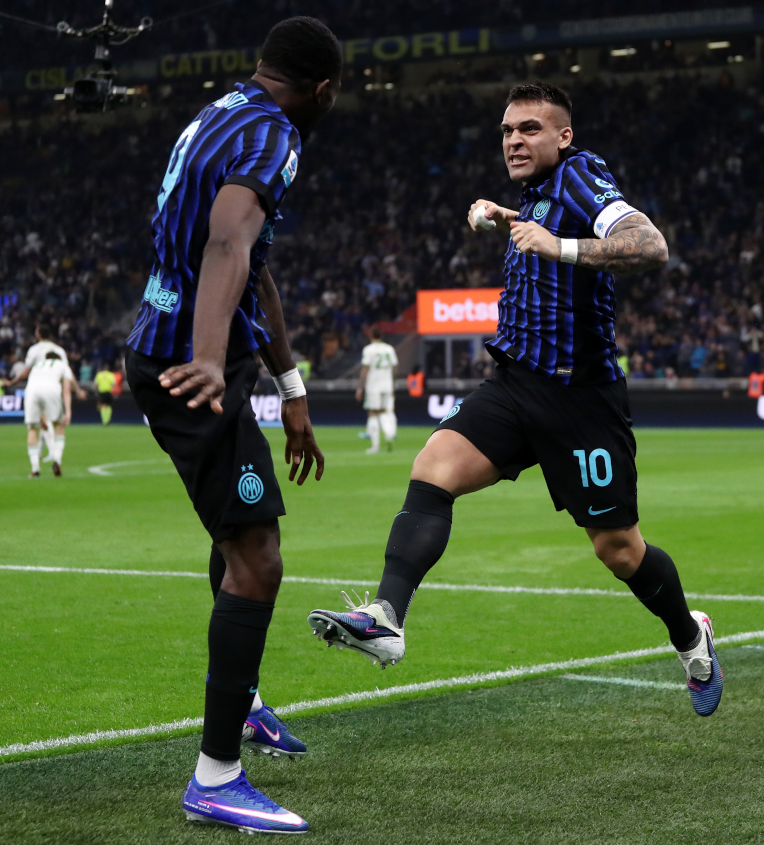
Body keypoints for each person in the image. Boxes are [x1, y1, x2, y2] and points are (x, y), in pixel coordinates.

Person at [307, 81, 722, 719]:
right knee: (432, 470)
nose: (514, 140)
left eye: (530, 129)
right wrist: (507, 218)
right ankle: (386, 617)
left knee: (619, 550)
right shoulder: (535, 195)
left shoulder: (584, 179)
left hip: (581, 401)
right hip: (514, 385)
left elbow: (649, 246)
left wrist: (559, 245)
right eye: (507, 131)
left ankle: (690, 636)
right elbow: (540, 231)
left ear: (564, 137)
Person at [124, 17, 337, 836]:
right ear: (322, 89)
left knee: (233, 534)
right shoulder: (277, 137)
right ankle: (217, 775)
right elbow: (227, 240)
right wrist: (212, 358)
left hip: (187, 351)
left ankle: (243, 701)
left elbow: (258, 266)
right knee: (258, 556)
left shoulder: (220, 113)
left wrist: (290, 388)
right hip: (190, 369)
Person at [3, 325, 83, 476]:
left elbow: (25, 372)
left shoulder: (37, 360)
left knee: (33, 429)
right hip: (52, 389)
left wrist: (11, 382)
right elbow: (66, 388)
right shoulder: (61, 360)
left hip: (32, 389)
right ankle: (57, 460)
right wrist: (68, 411)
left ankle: (35, 469)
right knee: (58, 426)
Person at [356, 325, 398, 454]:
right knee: (384, 411)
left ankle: (375, 446)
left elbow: (365, 369)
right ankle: (389, 434)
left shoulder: (369, 350)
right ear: (382, 336)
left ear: (370, 336)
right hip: (387, 385)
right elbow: (394, 368)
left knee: (373, 413)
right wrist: (392, 384)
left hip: (374, 385)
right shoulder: (389, 349)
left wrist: (360, 387)